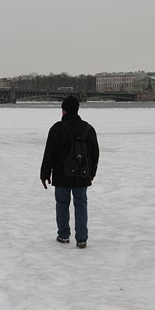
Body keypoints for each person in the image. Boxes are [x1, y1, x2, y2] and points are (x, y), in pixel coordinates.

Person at [40, 96, 99, 248]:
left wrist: (45, 174)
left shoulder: (57, 128)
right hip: (82, 175)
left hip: (62, 175)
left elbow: (50, 154)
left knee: (62, 204)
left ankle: (63, 235)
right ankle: (82, 239)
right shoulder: (88, 128)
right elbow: (94, 153)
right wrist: (92, 172)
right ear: (77, 110)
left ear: (63, 111)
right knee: (81, 205)